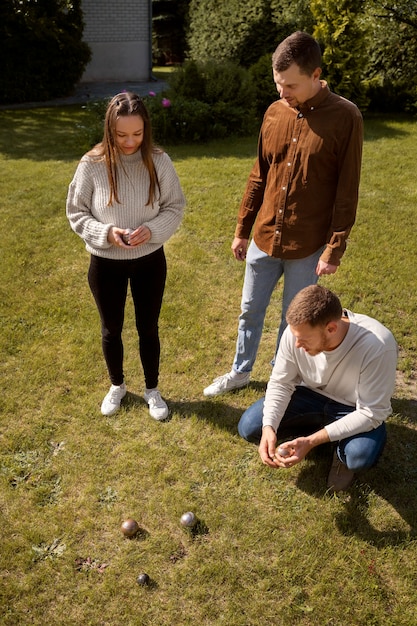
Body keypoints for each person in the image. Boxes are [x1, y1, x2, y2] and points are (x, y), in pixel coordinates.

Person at [203, 31, 363, 397]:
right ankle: (240, 372)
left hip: (307, 244)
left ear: (315, 74)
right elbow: (259, 174)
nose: (282, 92)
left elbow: (347, 188)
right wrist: (242, 229)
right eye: (278, 84)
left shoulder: (345, 117)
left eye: (290, 85)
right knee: (249, 310)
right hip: (263, 235)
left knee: (295, 323)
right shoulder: (274, 112)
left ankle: (281, 379)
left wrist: (334, 248)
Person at [66, 91, 185, 420]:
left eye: (137, 133)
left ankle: (152, 389)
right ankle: (117, 385)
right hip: (105, 263)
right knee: (111, 328)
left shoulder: (158, 160)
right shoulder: (91, 164)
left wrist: (152, 230)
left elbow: (174, 206)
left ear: (146, 128)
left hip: (149, 261)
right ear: (109, 130)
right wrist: (106, 234)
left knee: (148, 327)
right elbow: (76, 212)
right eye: (121, 135)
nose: (130, 141)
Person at [237, 285, 398, 492]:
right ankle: (317, 431)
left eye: (303, 339)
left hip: (353, 408)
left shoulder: (377, 345)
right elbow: (281, 382)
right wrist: (269, 426)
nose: (296, 345)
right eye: (295, 337)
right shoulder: (296, 332)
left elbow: (372, 411)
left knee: (358, 457)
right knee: (251, 426)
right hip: (309, 395)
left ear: (331, 328)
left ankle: (339, 452)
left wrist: (312, 441)